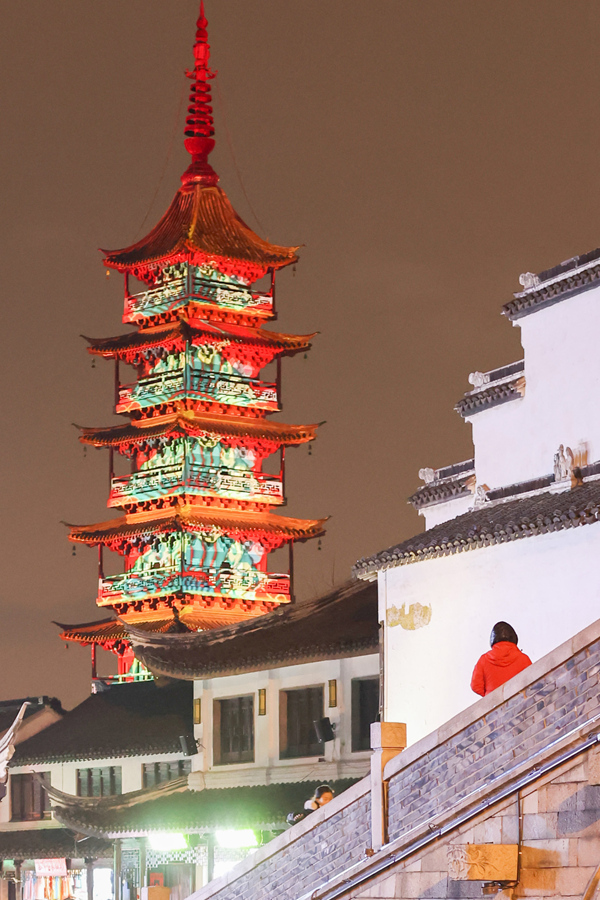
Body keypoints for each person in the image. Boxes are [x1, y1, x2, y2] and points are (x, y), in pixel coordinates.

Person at [471, 622, 532, 696]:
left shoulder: (484, 660)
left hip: (494, 704)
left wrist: (490, 696)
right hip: (519, 702)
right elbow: (532, 681)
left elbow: (475, 686)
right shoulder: (523, 659)